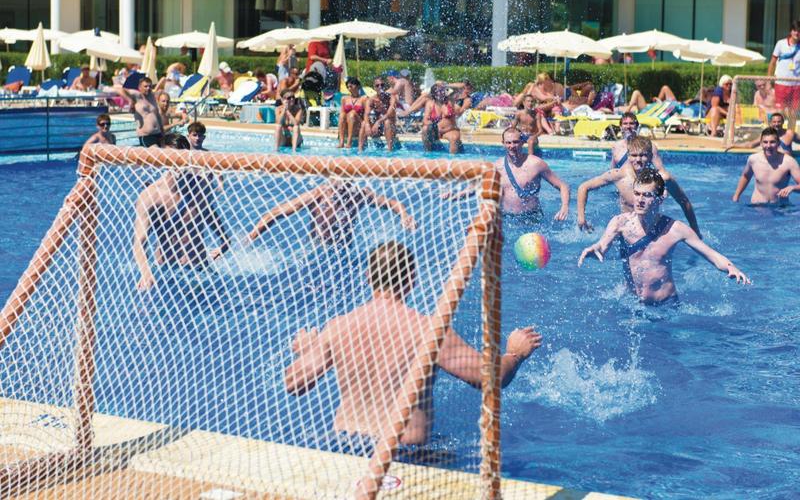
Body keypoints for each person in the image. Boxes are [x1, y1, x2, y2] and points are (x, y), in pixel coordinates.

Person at [284, 241, 542, 445]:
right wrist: (515, 353)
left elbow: (294, 384)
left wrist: (307, 351)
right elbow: (491, 379)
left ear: (368, 277)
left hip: (346, 445)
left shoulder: (338, 327)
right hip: (405, 454)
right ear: (412, 279)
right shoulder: (428, 331)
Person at [578, 169, 749, 303]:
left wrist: (730, 267)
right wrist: (595, 248)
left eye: (647, 195)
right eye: (637, 193)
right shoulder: (620, 222)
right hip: (633, 303)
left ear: (660, 199)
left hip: (665, 305)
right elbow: (602, 245)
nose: (640, 200)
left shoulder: (675, 229)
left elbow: (710, 254)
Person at [132, 163, 231, 292]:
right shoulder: (151, 196)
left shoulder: (200, 187)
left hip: (200, 270)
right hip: (166, 272)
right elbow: (139, 242)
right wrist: (146, 273)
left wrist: (225, 241)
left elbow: (207, 211)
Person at [577, 136, 700, 236]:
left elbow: (684, 202)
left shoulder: (663, 178)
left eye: (643, 155)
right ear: (628, 156)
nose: (638, 160)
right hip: (627, 232)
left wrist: (695, 230)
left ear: (650, 156)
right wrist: (581, 218)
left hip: (651, 233)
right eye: (634, 155)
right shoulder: (618, 176)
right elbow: (584, 187)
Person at [245, 181, 417, 248]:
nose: (341, 186)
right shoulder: (318, 195)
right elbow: (275, 213)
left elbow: (392, 203)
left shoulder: (358, 195)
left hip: (345, 251)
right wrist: (252, 236)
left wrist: (404, 215)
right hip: (316, 249)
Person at [497, 127, 568, 221]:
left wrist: (564, 207)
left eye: (515, 142)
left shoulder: (536, 164)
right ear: (503, 143)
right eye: (508, 143)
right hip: (507, 219)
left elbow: (563, 186)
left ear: (522, 142)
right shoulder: (497, 167)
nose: (512, 146)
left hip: (532, 219)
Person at [732, 127, 800, 204]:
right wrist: (736, 196)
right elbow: (746, 176)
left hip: (780, 207)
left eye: (772, 142)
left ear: (778, 143)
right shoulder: (753, 159)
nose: (768, 146)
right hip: (757, 206)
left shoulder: (789, 162)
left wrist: (792, 187)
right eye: (765, 142)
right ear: (761, 143)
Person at [725, 113, 800, 156]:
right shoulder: (766, 134)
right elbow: (751, 144)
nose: (776, 124)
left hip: (788, 166)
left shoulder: (790, 133)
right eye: (774, 122)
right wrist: (734, 145)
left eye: (779, 122)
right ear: (770, 123)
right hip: (772, 166)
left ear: (783, 122)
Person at [767, 20, 800, 115]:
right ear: (791, 31)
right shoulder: (780, 43)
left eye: (799, 31)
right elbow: (772, 63)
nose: (797, 33)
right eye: (795, 30)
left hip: (796, 85)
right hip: (781, 83)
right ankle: (779, 126)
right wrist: (768, 80)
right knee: (780, 111)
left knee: (793, 113)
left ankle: (791, 126)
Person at [119, 77, 163, 147]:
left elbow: (157, 115)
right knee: (156, 151)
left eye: (150, 86)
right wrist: (130, 101)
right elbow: (121, 90)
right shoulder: (136, 95)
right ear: (139, 87)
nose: (148, 88)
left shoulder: (152, 97)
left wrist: (162, 129)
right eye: (145, 86)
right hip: (146, 136)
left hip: (158, 133)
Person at [421, 85, 462, 154]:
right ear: (433, 94)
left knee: (454, 137)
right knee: (425, 129)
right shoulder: (430, 104)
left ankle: (453, 158)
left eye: (442, 91)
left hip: (448, 130)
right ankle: (428, 153)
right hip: (436, 131)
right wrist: (433, 127)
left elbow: (459, 87)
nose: (440, 93)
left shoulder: (450, 103)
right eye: (438, 92)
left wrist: (447, 86)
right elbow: (425, 120)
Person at [338, 77, 366, 149]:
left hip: (358, 124)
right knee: (342, 115)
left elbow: (366, 114)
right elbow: (342, 115)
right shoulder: (344, 98)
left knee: (352, 113)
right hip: (347, 125)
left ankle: (349, 141)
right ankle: (341, 142)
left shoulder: (363, 99)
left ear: (358, 86)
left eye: (351, 85)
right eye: (348, 86)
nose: (349, 88)